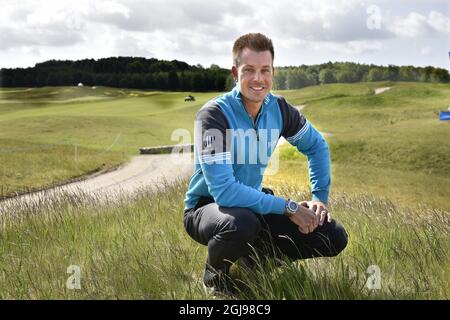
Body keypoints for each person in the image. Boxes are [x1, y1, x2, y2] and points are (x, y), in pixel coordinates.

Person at [183, 33, 348, 295]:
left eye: (265, 70)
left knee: (332, 235)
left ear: (273, 72)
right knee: (242, 223)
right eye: (249, 70)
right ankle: (214, 280)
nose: (258, 79)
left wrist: (319, 197)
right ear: (235, 73)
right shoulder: (213, 115)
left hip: (252, 203)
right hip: (207, 209)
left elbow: (317, 146)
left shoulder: (280, 109)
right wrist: (289, 207)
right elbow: (224, 191)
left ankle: (256, 263)